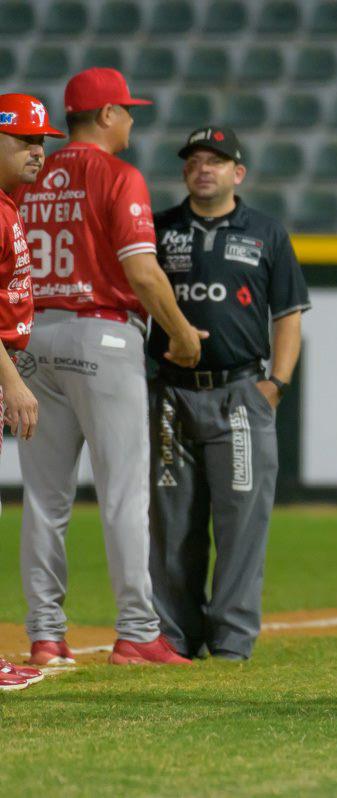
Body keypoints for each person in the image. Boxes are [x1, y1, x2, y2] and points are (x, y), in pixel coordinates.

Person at [15, 68, 202, 666]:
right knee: (122, 492)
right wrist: (182, 333)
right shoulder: (118, 175)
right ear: (104, 115)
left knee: (44, 499)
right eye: (126, 110)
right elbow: (142, 272)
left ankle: (45, 634)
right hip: (101, 334)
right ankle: (137, 631)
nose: (131, 120)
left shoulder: (29, 177)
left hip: (33, 337)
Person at [148, 127, 309, 661]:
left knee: (242, 523)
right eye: (194, 160)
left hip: (240, 392)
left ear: (238, 173)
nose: (203, 169)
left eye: (215, 161)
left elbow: (288, 315)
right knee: (171, 522)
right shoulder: (159, 229)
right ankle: (174, 635)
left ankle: (232, 643)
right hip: (170, 394)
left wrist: (276, 384)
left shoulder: (266, 232)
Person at [0, 93, 60, 690]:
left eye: (41, 141)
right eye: (24, 140)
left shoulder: (8, 206)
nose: (37, 151)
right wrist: (13, 380)